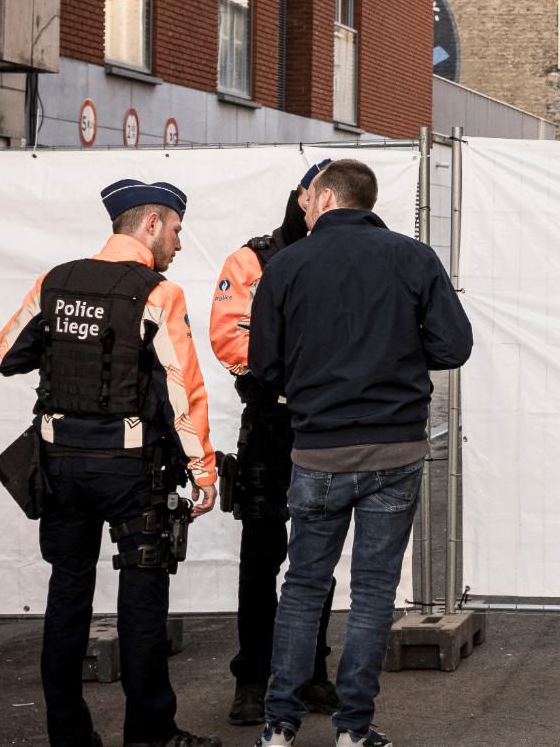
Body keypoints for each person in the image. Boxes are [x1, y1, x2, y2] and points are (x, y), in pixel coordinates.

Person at [0, 179, 222, 747]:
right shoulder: (157, 293)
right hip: (129, 471)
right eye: (175, 230)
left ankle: (68, 736)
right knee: (142, 599)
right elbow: (181, 390)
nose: (179, 243)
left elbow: (3, 356)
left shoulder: (56, 281)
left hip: (59, 465)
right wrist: (204, 472)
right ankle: (150, 735)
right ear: (149, 226)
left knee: (67, 593)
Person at [251, 159, 473, 747]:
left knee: (303, 585)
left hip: (318, 451)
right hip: (394, 448)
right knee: (374, 591)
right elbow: (454, 344)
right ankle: (353, 730)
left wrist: (305, 377)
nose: (301, 207)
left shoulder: (285, 265)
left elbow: (265, 366)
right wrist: (397, 354)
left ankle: (278, 726)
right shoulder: (412, 257)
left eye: (305, 199)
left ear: (324, 198)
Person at [210, 159, 340, 725]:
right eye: (315, 197)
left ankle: (312, 673)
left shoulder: (342, 256)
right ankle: (253, 678)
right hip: (268, 423)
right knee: (260, 558)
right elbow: (228, 336)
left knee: (319, 557)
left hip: (324, 423)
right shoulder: (250, 258)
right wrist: (291, 377)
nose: (320, 209)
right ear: (301, 196)